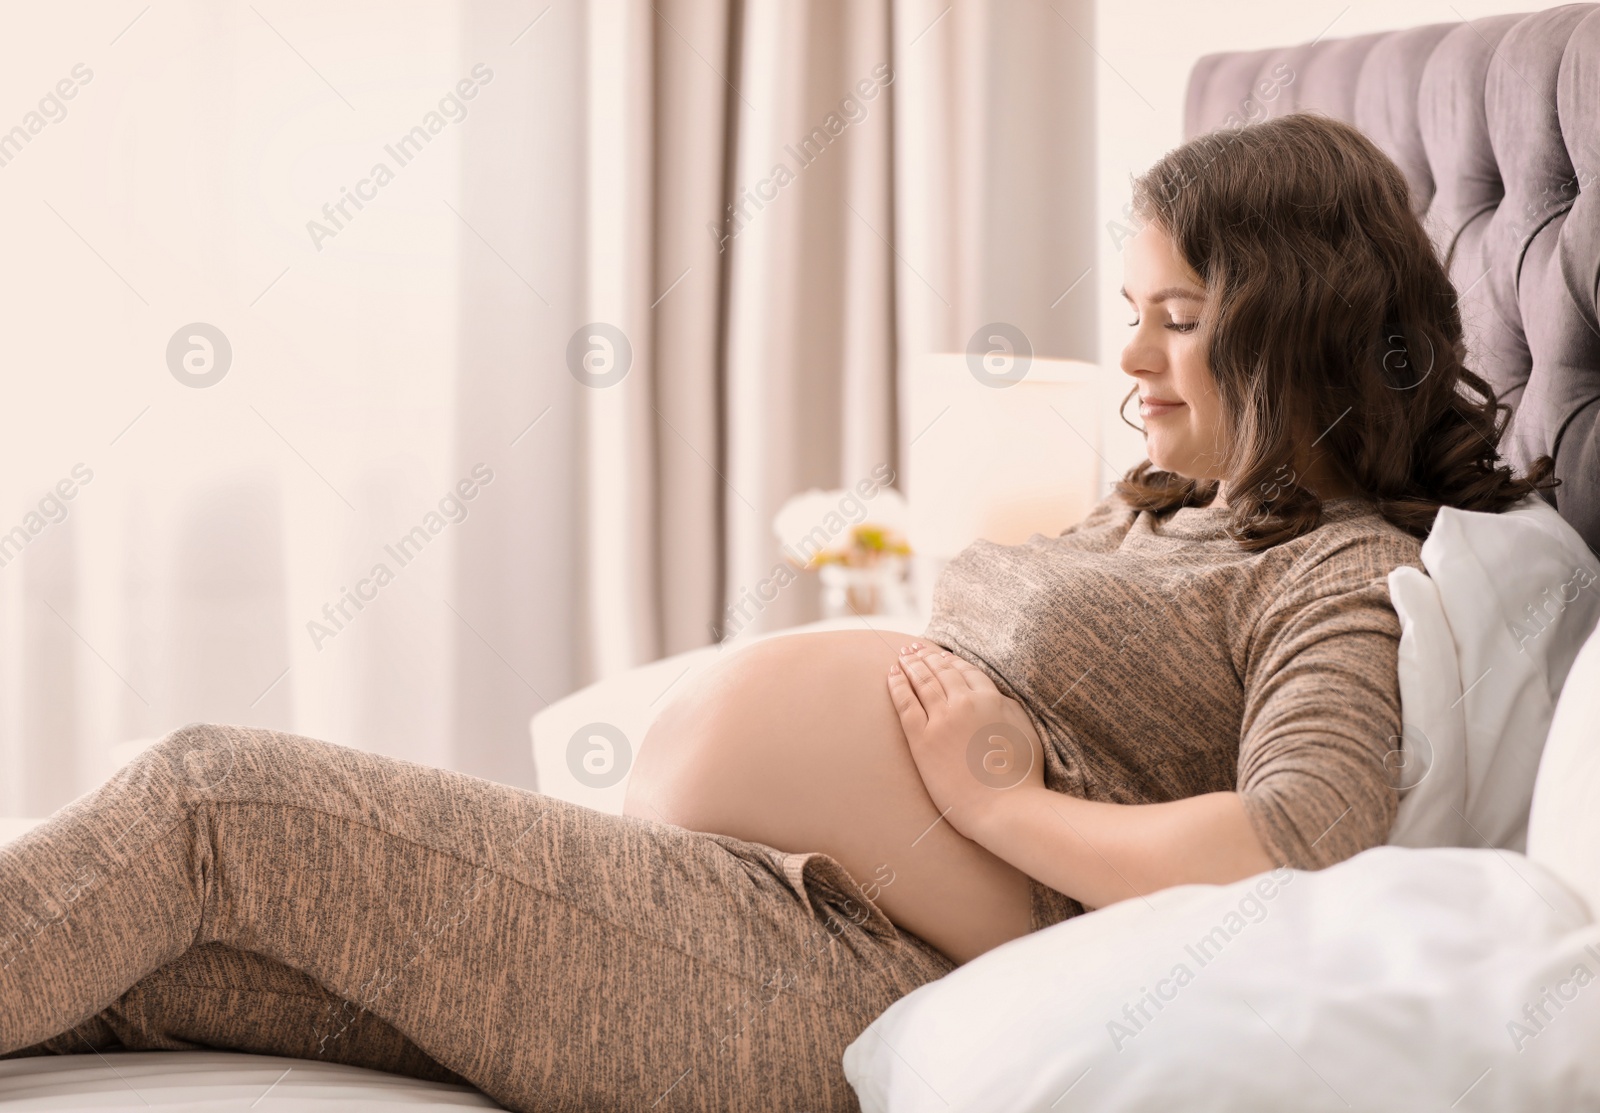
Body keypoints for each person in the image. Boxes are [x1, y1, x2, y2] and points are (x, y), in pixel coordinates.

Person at [0, 113, 1553, 1112]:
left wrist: (1005, 803)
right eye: (1130, 306)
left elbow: (1305, 837)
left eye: (1182, 319)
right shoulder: (1176, 508)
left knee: (212, 802)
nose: (1134, 357)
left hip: (826, 966)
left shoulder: (1337, 574)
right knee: (156, 958)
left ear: (1303, 326)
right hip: (744, 891)